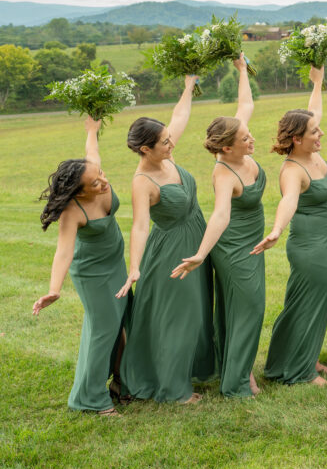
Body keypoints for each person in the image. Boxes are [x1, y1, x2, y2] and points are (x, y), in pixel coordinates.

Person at [117, 75, 215, 404]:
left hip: (195, 240)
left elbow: (179, 117)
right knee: (180, 319)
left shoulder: (166, 156)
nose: (171, 143)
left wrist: (188, 87)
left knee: (197, 314)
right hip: (171, 253)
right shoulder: (142, 180)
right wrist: (134, 268)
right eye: (164, 142)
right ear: (145, 149)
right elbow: (140, 226)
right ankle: (174, 390)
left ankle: (184, 371)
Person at [171, 55, 265, 398]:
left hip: (253, 244)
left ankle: (239, 368)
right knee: (249, 310)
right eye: (245, 139)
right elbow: (221, 216)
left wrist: (241, 70)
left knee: (240, 311)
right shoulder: (224, 172)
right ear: (226, 147)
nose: (251, 139)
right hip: (234, 250)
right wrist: (200, 254)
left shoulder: (236, 141)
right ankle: (239, 381)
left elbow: (246, 103)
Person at [252, 65, 327, 387]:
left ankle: (310, 357)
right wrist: (276, 229)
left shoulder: (311, 149)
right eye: (315, 132)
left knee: (326, 301)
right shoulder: (292, 169)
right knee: (307, 303)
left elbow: (313, 112)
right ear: (297, 139)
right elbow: (288, 200)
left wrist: (318, 82)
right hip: (311, 247)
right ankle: (299, 371)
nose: (321, 134)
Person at [33, 117, 129, 416]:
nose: (103, 181)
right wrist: (54, 289)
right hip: (93, 275)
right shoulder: (72, 211)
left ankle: (121, 384)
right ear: (78, 191)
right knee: (103, 331)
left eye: (100, 175)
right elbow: (64, 252)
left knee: (122, 328)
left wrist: (91, 130)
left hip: (117, 266)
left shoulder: (97, 178)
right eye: (95, 183)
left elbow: (94, 156)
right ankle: (89, 398)